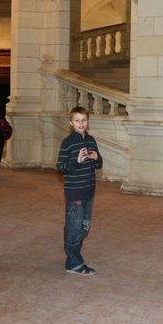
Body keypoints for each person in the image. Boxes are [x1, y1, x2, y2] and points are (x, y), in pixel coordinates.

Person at [56, 106, 102, 275]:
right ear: (71, 123)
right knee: (74, 229)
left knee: (84, 228)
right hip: (75, 194)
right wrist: (77, 161)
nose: (81, 123)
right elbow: (60, 168)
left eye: (83, 120)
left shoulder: (90, 140)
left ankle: (73, 256)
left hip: (89, 191)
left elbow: (98, 165)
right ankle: (74, 263)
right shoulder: (67, 143)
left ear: (87, 122)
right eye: (77, 120)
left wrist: (97, 158)